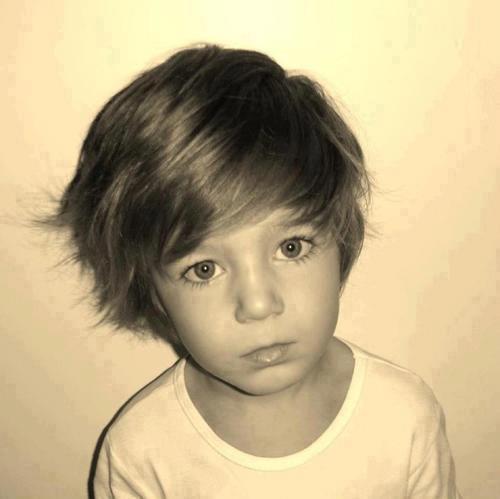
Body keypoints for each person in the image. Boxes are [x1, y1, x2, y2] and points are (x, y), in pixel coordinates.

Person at [44, 44, 461, 498]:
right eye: (204, 269)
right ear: (152, 293)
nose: (259, 305)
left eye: (291, 247)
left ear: (342, 241)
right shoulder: (142, 454)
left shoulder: (404, 418)